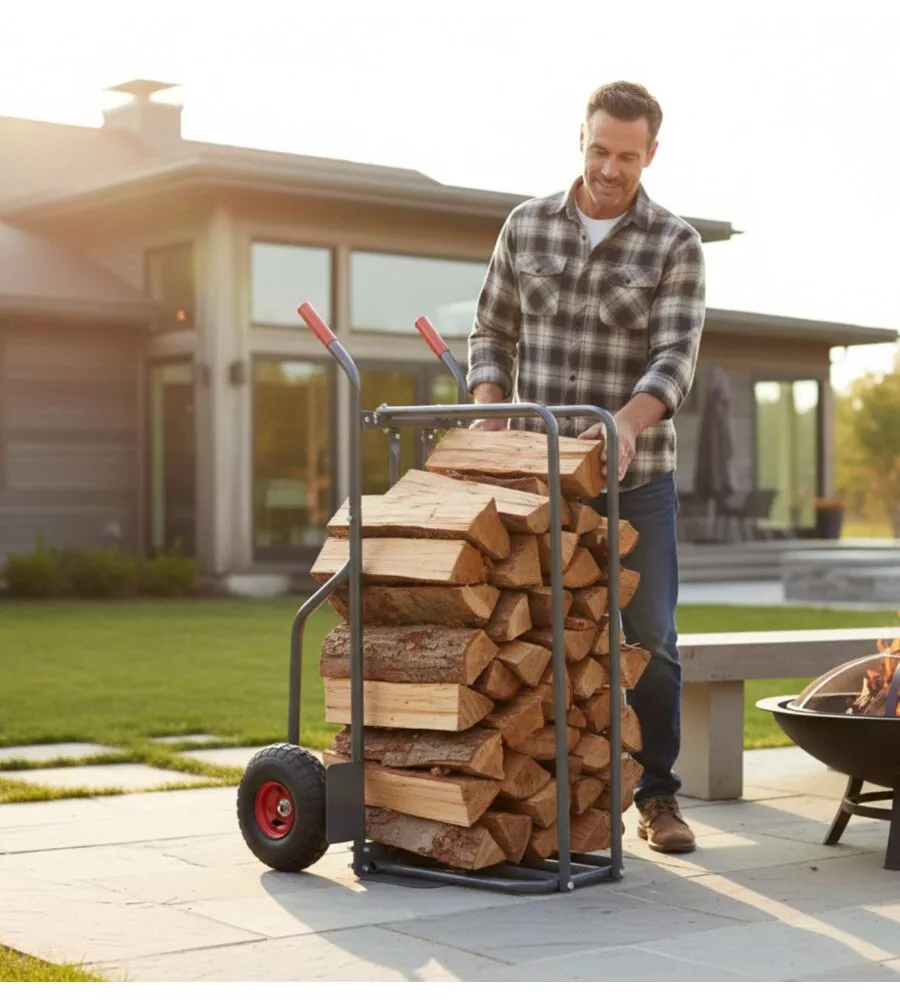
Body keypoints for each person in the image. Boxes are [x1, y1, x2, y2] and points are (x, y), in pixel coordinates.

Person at [467, 80, 705, 854]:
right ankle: (551, 795)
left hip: (636, 481)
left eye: (627, 157)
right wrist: (490, 400)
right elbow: (491, 332)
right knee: (537, 634)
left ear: (652, 154)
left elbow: (675, 357)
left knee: (650, 638)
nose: (610, 168)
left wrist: (630, 425)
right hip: (545, 481)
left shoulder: (675, 243)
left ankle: (659, 796)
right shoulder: (526, 225)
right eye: (599, 150)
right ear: (582, 139)